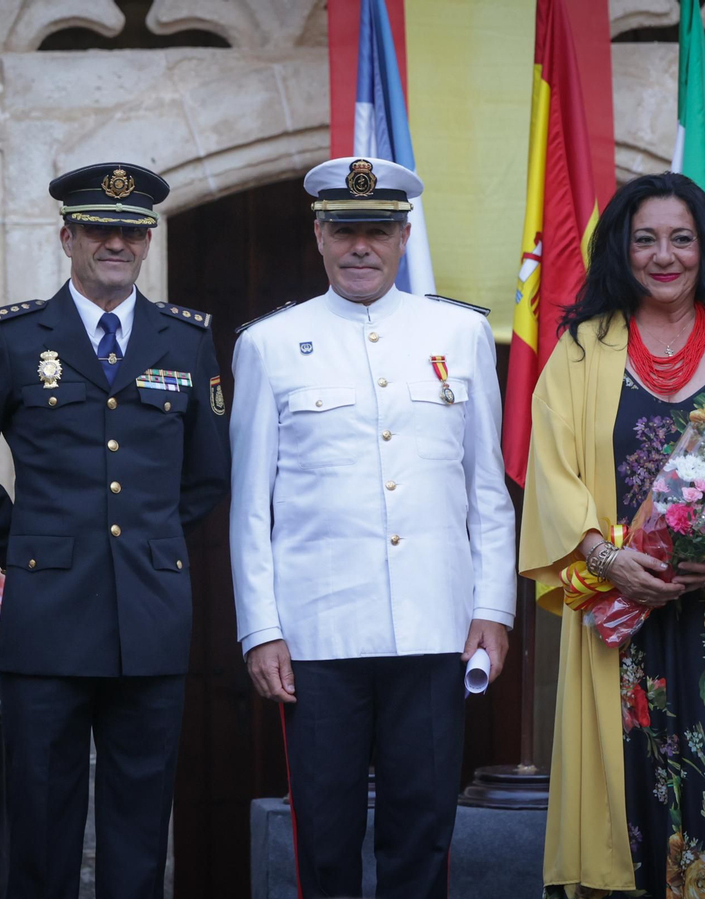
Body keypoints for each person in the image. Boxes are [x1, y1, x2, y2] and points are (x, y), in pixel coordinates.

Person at [0, 162, 229, 899]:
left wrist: (146, 544)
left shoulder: (184, 341)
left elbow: (208, 475)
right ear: (68, 237)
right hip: (51, 615)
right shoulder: (18, 337)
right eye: (100, 228)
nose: (116, 242)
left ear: (147, 241)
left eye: (131, 230)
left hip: (151, 617)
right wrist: (28, 544)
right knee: (41, 821)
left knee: (138, 823)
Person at [230, 156, 516, 898]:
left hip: (434, 623)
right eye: (346, 229)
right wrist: (260, 628)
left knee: (422, 831)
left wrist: (494, 607)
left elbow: (485, 485)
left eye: (379, 230)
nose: (363, 245)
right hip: (318, 632)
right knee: (323, 836)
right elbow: (249, 506)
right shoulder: (268, 343)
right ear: (319, 235)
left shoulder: (459, 333)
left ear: (404, 233)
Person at [519, 173, 705, 898]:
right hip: (622, 614)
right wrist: (608, 557)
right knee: (626, 801)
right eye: (645, 238)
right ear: (622, 247)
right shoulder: (581, 351)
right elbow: (551, 473)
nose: (664, 255)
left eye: (681, 238)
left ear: (704, 246)